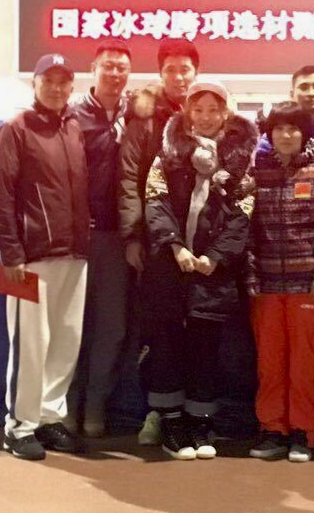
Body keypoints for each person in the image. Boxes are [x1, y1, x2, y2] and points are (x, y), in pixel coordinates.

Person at [142, 81, 257, 460]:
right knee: (167, 346)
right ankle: (171, 421)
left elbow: (243, 212)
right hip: (169, 267)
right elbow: (154, 200)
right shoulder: (168, 154)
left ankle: (199, 420)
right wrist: (175, 246)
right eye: (199, 109)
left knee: (206, 349)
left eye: (214, 109)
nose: (206, 117)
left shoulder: (240, 160)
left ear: (226, 113)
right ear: (187, 112)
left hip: (213, 273)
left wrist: (216, 257)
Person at [0, 53, 91, 460]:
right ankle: (19, 426)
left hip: (74, 254)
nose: (57, 88)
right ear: (34, 83)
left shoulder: (74, 127)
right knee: (30, 345)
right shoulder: (16, 128)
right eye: (49, 80)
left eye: (64, 81)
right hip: (28, 259)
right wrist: (11, 254)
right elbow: (0, 196)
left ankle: (49, 417)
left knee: (65, 340)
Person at [248, 101, 314, 463]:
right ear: (270, 133)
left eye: (293, 128)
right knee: (270, 363)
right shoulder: (257, 174)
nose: (286, 135)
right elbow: (246, 229)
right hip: (266, 288)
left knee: (306, 363)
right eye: (279, 128)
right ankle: (272, 429)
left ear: (304, 134)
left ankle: (305, 432)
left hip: (308, 287)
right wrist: (251, 275)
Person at [118, 37, 200, 444]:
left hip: (201, 244)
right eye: (171, 70)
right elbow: (130, 178)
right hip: (156, 242)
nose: (179, 77)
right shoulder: (145, 119)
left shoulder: (210, 112)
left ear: (196, 72)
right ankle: (157, 411)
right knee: (158, 330)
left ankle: (197, 414)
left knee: (199, 330)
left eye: (186, 69)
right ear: (160, 73)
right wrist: (134, 235)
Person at [72, 38, 133, 437]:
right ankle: (66, 405)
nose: (114, 73)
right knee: (70, 326)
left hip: (117, 239)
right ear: (93, 70)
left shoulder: (138, 113)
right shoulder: (71, 116)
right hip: (74, 239)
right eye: (107, 66)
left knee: (112, 327)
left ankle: (95, 405)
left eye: (121, 67)